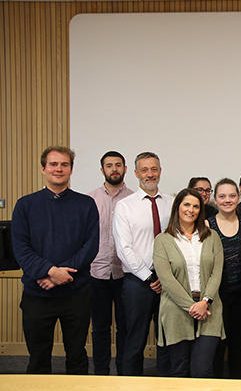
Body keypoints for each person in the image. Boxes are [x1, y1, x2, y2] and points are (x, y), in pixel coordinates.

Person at [12, 146, 99, 374]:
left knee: (77, 356)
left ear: (71, 169)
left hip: (76, 294)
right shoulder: (25, 205)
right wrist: (50, 272)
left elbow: (90, 246)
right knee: (38, 358)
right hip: (37, 293)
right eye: (53, 164)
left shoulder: (86, 204)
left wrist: (62, 275)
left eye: (64, 164)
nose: (58, 169)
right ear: (43, 168)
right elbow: (21, 248)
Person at [153, 188, 225, 377]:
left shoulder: (212, 237)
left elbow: (216, 273)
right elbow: (167, 280)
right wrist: (192, 307)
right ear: (177, 207)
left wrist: (205, 302)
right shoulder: (163, 240)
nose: (191, 210)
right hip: (176, 310)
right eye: (186, 204)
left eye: (196, 206)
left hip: (209, 309)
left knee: (202, 369)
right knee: (179, 369)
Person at [113, 152, 174, 376]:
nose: (150, 174)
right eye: (145, 170)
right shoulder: (125, 206)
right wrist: (149, 277)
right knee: (135, 338)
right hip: (137, 282)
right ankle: (130, 384)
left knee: (167, 338)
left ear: (160, 171)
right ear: (136, 173)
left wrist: (164, 277)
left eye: (154, 169)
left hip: (169, 281)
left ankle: (166, 384)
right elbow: (124, 248)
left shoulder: (172, 204)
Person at [88, 150, 133, 375]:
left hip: (126, 274)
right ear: (102, 170)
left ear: (125, 168)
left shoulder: (135, 199)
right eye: (109, 165)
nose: (114, 169)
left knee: (125, 327)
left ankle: (123, 373)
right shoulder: (90, 200)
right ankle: (101, 373)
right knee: (100, 328)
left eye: (118, 165)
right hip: (96, 272)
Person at [207, 178, 241, 379]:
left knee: (239, 344)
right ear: (215, 199)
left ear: (239, 197)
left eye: (232, 196)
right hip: (216, 296)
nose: (227, 200)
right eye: (222, 196)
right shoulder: (206, 226)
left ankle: (237, 383)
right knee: (217, 344)